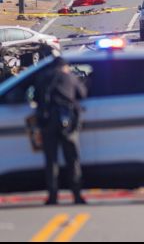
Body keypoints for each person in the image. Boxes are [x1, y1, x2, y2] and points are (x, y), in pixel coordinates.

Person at [34, 57, 88, 205]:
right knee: (73, 159)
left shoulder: (43, 78)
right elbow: (82, 94)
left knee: (51, 160)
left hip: (48, 122)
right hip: (67, 122)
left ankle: (53, 196)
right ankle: (77, 195)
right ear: (65, 67)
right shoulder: (70, 77)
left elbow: (36, 97)